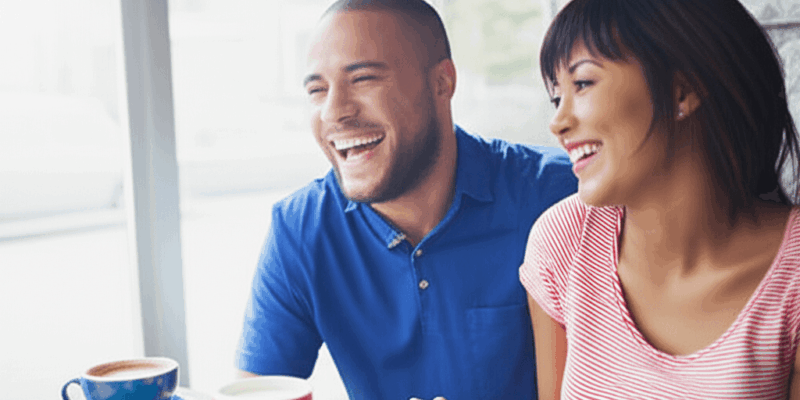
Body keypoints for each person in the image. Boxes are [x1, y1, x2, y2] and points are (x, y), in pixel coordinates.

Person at [235, 0, 577, 399]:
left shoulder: (559, 194)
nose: (334, 111)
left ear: (442, 83)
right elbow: (255, 392)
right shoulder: (300, 230)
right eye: (317, 90)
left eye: (363, 79)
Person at [518, 0, 800, 398]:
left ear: (680, 91)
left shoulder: (793, 276)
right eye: (555, 97)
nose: (558, 122)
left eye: (582, 84)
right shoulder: (563, 243)